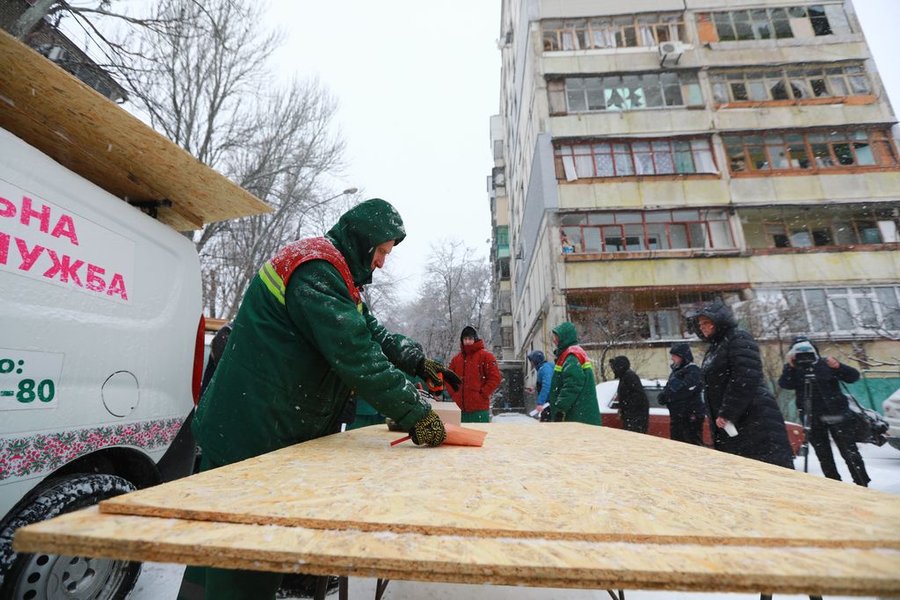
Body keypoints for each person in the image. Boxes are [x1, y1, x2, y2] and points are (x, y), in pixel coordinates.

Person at [180, 198, 460, 600]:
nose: (382, 262)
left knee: (224, 553)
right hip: (254, 432)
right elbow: (356, 356)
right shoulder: (317, 270)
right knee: (244, 556)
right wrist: (419, 416)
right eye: (381, 251)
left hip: (266, 427)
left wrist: (417, 360)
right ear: (362, 241)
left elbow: (371, 334)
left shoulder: (336, 275)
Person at [691, 299, 794, 469]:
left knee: (767, 473)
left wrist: (727, 412)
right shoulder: (715, 348)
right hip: (735, 424)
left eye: (707, 322)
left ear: (719, 320)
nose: (702, 327)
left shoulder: (738, 338)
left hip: (753, 419)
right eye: (700, 324)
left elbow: (745, 378)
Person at [778, 337, 869, 486]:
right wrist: (790, 366)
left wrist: (838, 366)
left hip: (837, 415)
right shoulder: (793, 369)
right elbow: (785, 384)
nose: (804, 356)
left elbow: (853, 376)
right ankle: (834, 483)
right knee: (824, 455)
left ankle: (862, 482)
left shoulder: (826, 364)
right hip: (812, 418)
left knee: (850, 452)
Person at [547, 322, 601, 425]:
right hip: (580, 411)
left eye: (556, 337)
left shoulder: (571, 355)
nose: (554, 340)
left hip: (576, 414)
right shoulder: (572, 353)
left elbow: (573, 384)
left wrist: (560, 408)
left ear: (564, 337)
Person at [448, 325, 502, 422]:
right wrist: (454, 395)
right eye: (465, 339)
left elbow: (495, 378)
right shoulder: (456, 360)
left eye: (470, 338)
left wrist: (482, 394)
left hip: (479, 410)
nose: (467, 341)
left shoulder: (486, 356)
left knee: (480, 436)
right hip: (460, 410)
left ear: (475, 339)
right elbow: (448, 378)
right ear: (462, 340)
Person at [657, 343, 705, 446]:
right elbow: (670, 387)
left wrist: (668, 395)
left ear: (682, 356)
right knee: (678, 445)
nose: (672, 358)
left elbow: (685, 390)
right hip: (677, 416)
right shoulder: (676, 371)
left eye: (675, 356)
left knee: (690, 445)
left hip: (690, 416)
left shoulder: (693, 371)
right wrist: (663, 395)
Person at [609, 355, 649, 433]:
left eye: (614, 367)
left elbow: (638, 397)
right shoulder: (625, 377)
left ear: (620, 367)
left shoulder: (629, 377)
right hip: (632, 417)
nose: (613, 370)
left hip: (635, 418)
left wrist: (625, 405)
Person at [527, 350, 554, 418]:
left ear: (535, 360)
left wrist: (540, 403)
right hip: (550, 402)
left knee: (547, 423)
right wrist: (535, 388)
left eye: (531, 361)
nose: (531, 363)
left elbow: (547, 385)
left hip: (550, 403)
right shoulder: (543, 367)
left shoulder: (545, 369)